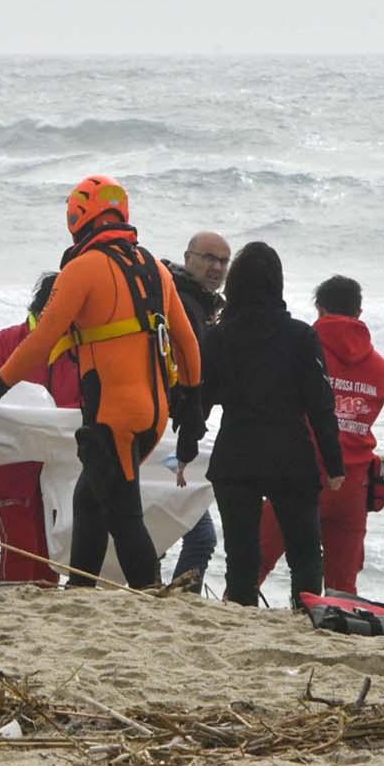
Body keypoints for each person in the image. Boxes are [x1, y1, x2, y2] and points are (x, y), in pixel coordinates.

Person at [0, 176, 200, 590]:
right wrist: (192, 404)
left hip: (115, 416)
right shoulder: (154, 269)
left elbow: (41, 340)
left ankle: (150, 596)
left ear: (78, 217)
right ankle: (80, 589)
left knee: (124, 516)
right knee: (88, 499)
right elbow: (187, 342)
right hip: (155, 413)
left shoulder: (83, 268)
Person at [178, 242, 344, 607]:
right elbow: (320, 404)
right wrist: (334, 463)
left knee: (241, 555)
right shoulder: (301, 336)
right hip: (290, 456)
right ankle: (307, 615)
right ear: (277, 285)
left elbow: (200, 400)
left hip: (236, 454)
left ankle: (241, 613)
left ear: (234, 283)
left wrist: (185, 450)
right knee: (304, 551)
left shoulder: (219, 336)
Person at [256, 275, 384, 596]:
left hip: (299, 475)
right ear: (359, 312)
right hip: (353, 484)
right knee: (342, 586)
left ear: (319, 308)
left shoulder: (300, 348)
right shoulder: (380, 368)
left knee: (254, 563)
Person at [0, 272, 81, 584]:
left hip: (59, 471)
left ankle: (39, 620)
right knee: (21, 550)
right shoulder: (6, 343)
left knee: (52, 557)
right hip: (8, 468)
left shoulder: (81, 349)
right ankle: (9, 612)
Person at [161, 231, 230, 589]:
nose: (216, 267)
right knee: (199, 535)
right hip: (165, 433)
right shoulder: (184, 303)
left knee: (157, 519)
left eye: (223, 261)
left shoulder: (199, 303)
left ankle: (154, 593)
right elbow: (190, 378)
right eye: (208, 258)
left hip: (170, 431)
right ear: (188, 257)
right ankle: (171, 597)